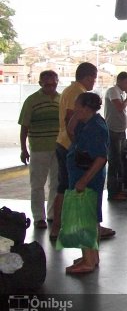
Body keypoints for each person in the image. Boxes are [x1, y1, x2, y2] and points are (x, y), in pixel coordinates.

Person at [50, 62, 115, 241]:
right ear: (87, 77)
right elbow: (70, 120)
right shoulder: (78, 94)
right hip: (71, 147)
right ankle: (63, 228)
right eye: (93, 78)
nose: (94, 82)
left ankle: (67, 229)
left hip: (67, 145)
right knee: (70, 191)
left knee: (66, 189)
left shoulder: (70, 91)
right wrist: (77, 145)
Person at [63, 92, 109, 274]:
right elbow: (71, 130)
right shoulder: (87, 122)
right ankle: (91, 256)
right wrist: (76, 114)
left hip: (87, 178)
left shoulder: (96, 127)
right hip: (82, 175)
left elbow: (101, 158)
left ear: (86, 107)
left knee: (85, 220)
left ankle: (88, 261)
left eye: (77, 105)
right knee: (90, 218)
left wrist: (83, 180)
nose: (74, 109)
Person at [18, 70, 60, 229]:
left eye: (53, 82)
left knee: (56, 184)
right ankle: (38, 217)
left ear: (57, 82)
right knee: (37, 184)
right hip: (38, 149)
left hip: (58, 148)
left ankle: (52, 214)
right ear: (40, 83)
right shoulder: (32, 101)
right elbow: (24, 127)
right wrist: (24, 149)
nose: (51, 85)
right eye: (47, 83)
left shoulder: (61, 99)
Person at [104, 71, 127, 201]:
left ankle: (118, 189)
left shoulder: (120, 93)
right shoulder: (113, 91)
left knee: (119, 162)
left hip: (120, 131)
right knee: (114, 162)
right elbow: (119, 108)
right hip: (113, 131)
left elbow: (123, 115)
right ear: (119, 81)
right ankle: (113, 193)